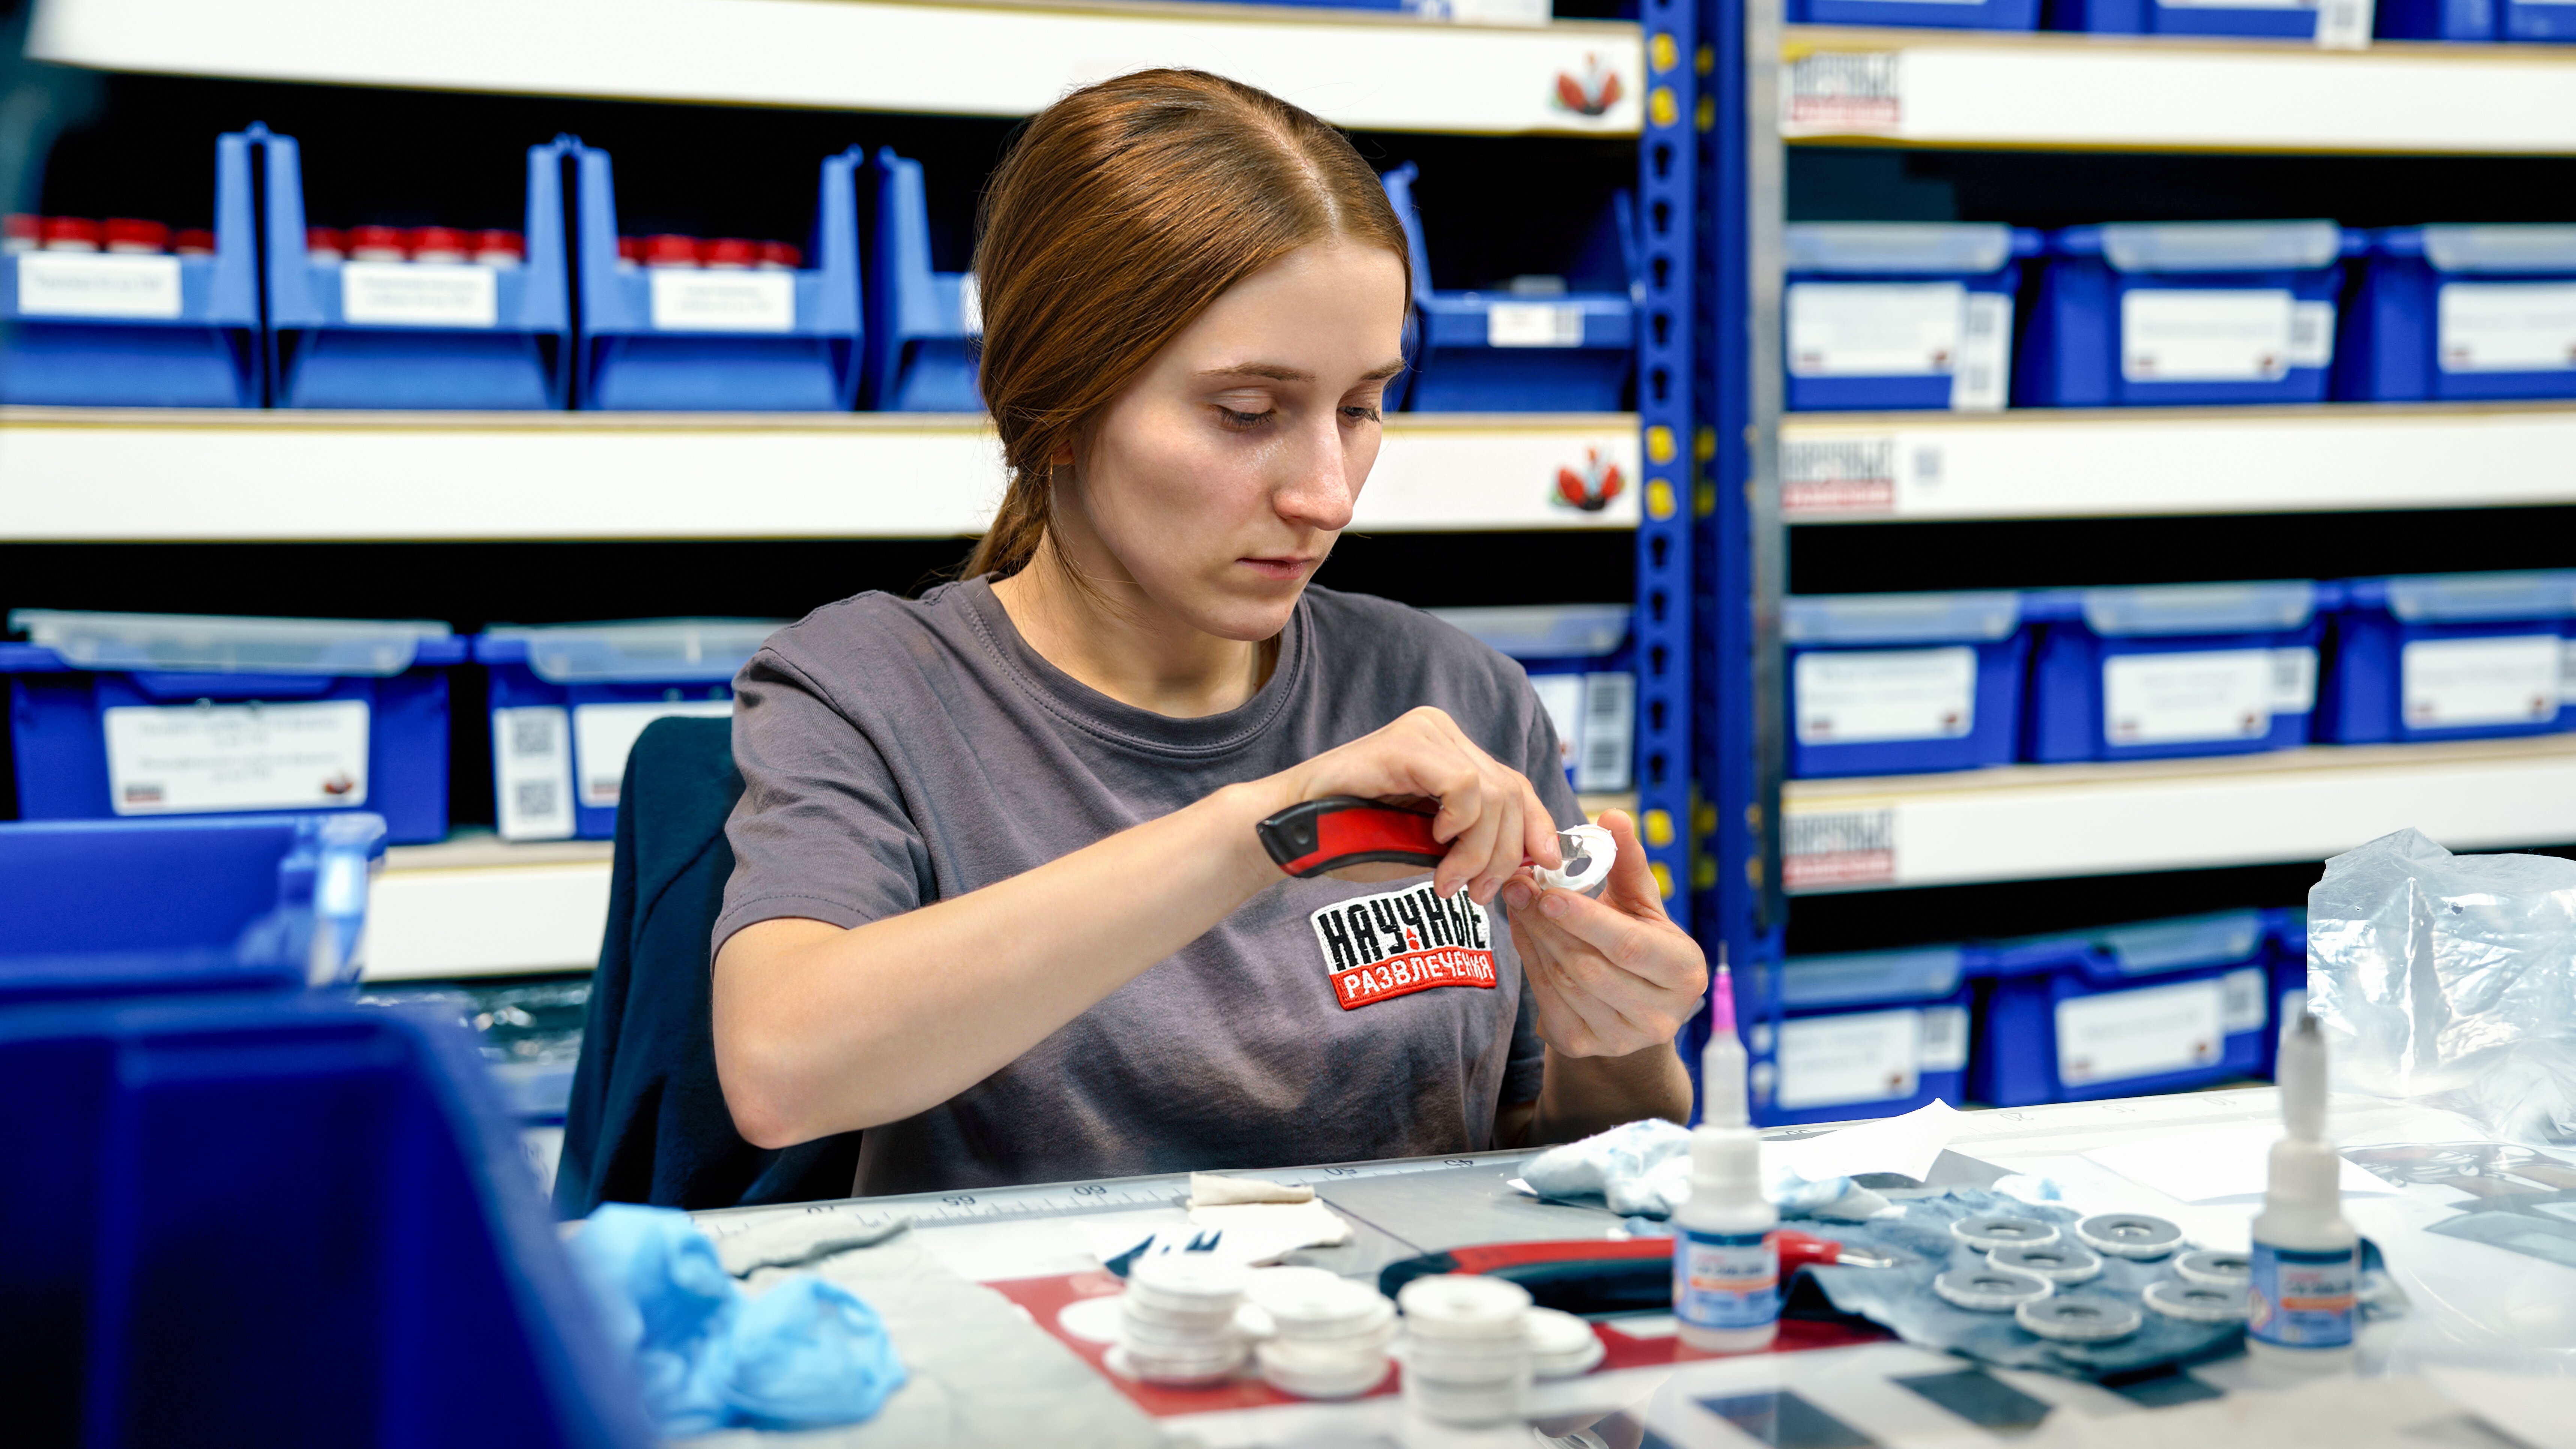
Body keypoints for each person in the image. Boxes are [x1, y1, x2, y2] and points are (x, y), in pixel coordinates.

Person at [712, 69, 1707, 1197]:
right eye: (1248, 414)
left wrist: (1618, 1042)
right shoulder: (865, 690)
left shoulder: (1456, 695)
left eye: (1362, 407)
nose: (1328, 496)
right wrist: (1265, 827)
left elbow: (1547, 1158)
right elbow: (782, 1067)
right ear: (1055, 404)